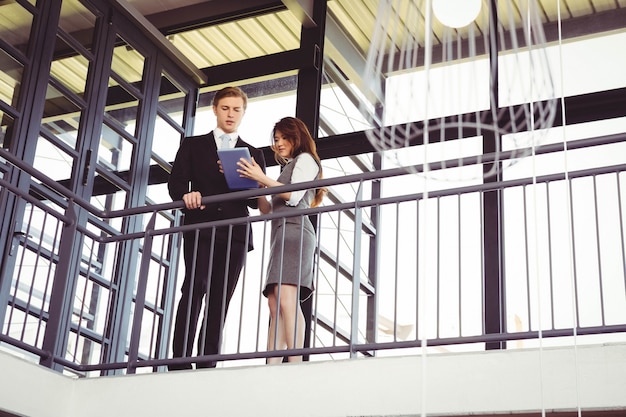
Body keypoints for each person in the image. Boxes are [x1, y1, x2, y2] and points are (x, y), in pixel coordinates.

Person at [167, 86, 266, 370]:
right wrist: (186, 195)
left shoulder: (253, 152)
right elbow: (175, 184)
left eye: (236, 109)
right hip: (201, 227)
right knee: (194, 288)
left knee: (221, 299)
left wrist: (248, 178)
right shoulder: (193, 145)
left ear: (243, 112)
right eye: (225, 108)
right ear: (215, 110)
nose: (231, 114)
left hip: (235, 233)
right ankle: (180, 362)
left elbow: (252, 201)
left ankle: (207, 363)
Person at [236, 116, 325, 363]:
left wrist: (263, 178)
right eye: (276, 140)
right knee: (275, 304)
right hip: (281, 235)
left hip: (296, 232)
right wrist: (257, 184)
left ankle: (295, 363)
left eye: (284, 138)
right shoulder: (285, 169)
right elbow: (267, 210)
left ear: (297, 137)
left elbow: (294, 196)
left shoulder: (306, 159)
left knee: (287, 299)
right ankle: (272, 364)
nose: (279, 143)